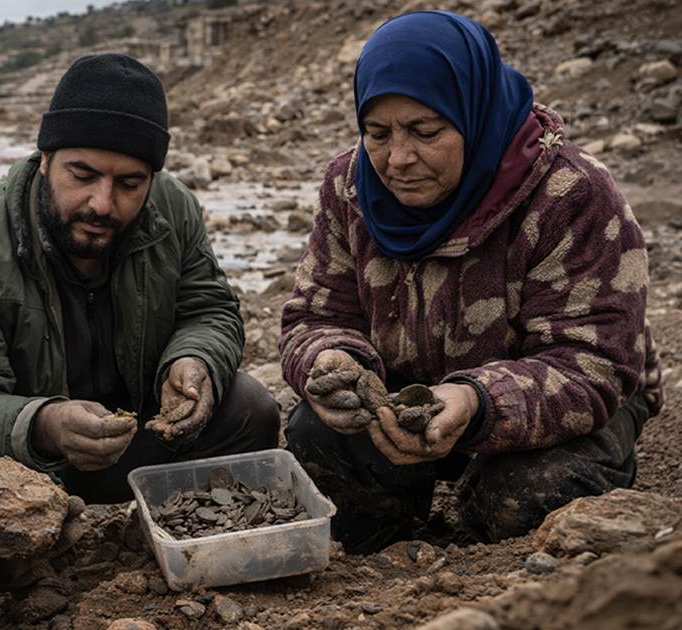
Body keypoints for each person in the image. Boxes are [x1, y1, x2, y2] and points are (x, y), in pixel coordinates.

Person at [278, 11, 664, 556]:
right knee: (320, 444)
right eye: (377, 133)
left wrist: (475, 400)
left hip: (553, 404)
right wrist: (332, 359)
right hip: (408, 401)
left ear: (475, 114)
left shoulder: (570, 196)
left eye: (425, 131)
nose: (398, 158)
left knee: (526, 497)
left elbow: (594, 362)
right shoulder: (349, 187)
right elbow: (315, 315)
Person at [0, 53, 282, 505]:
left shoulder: (173, 208)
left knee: (249, 408)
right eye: (82, 175)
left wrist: (194, 362)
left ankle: (170, 519)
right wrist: (43, 424)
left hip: (138, 444)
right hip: (27, 467)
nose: (102, 204)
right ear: (45, 159)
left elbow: (208, 309)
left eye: (129, 184)